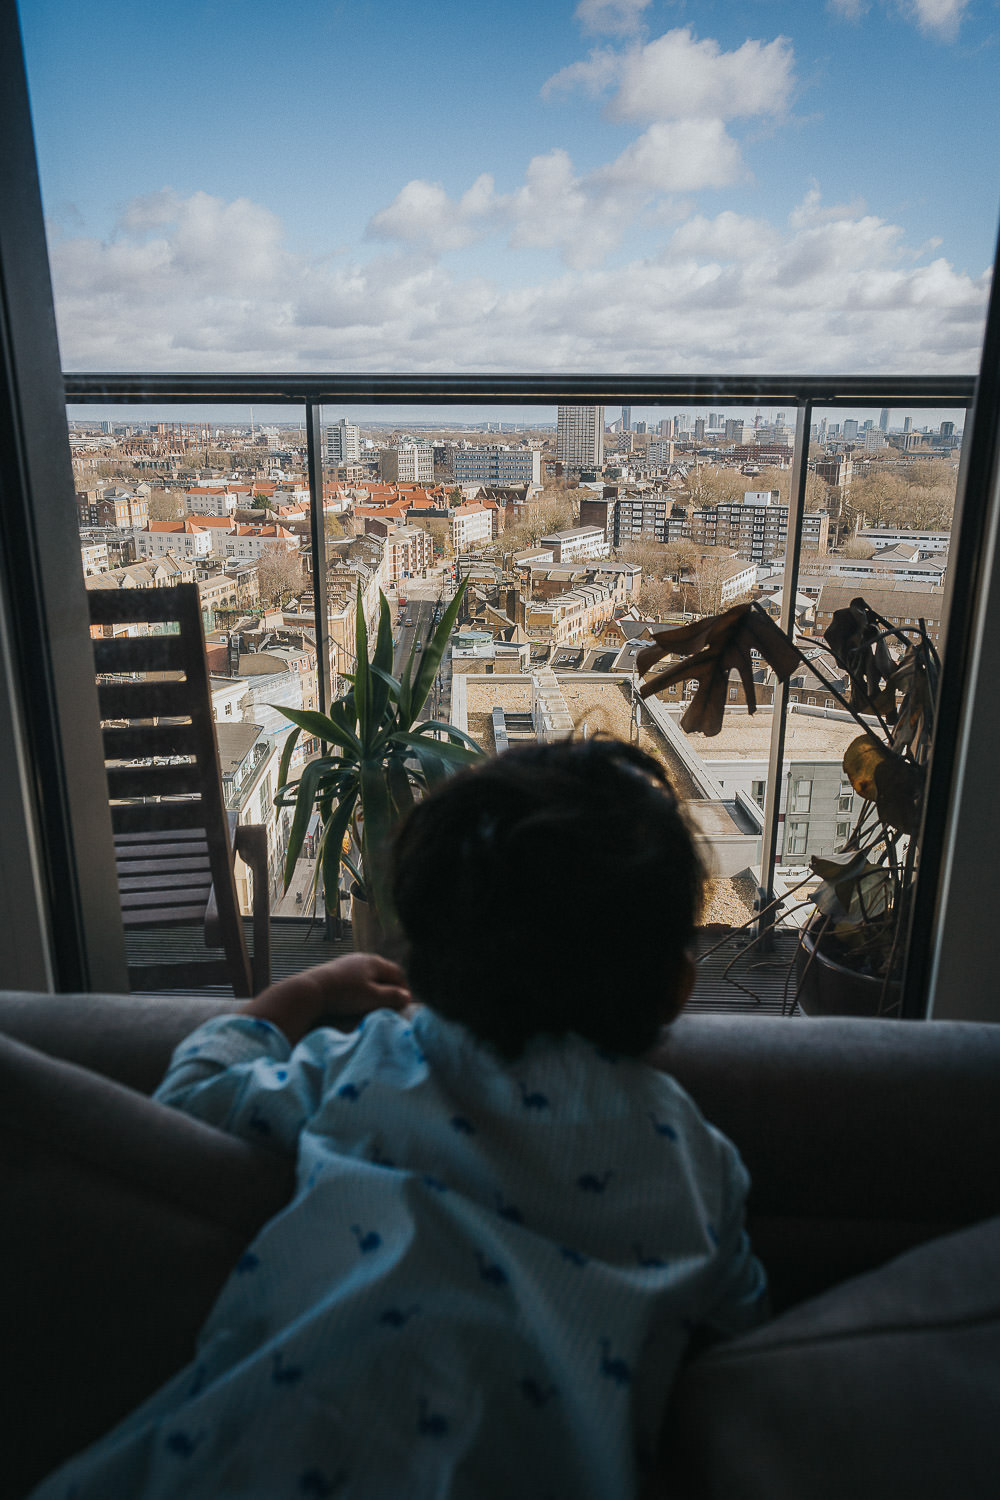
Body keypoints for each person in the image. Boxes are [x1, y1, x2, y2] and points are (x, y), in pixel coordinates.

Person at [30, 737, 768, 1500]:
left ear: (425, 954)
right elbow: (742, 1337)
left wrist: (307, 994)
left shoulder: (375, 1063)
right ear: (677, 988)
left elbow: (190, 1096)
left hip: (259, 1454)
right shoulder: (695, 1160)